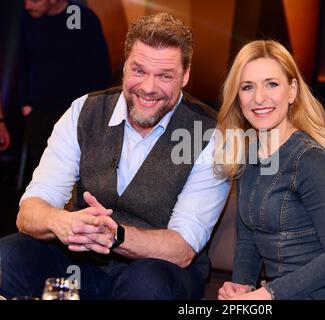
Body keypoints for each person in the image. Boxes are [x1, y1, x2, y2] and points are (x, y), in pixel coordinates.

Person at [0, 12, 230, 300]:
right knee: (7, 257)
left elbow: (182, 249)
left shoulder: (209, 134)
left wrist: (113, 235)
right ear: (124, 68)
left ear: (185, 76)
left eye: (164, 76)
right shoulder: (84, 111)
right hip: (81, 264)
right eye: (139, 70)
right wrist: (61, 221)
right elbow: (30, 210)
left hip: (159, 272)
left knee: (148, 283)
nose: (148, 87)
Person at [214, 40, 325, 300]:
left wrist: (267, 294)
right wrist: (241, 286)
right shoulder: (246, 154)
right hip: (282, 292)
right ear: (237, 96)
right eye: (247, 87)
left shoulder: (310, 159)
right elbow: (248, 239)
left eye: (272, 84)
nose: (259, 98)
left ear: (292, 91)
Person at [19, 0, 112, 186]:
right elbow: (24, 64)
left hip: (75, 115)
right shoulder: (29, 19)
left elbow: (100, 69)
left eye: (34, 0)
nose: (27, 5)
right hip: (39, 113)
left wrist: (90, 111)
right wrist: (25, 103)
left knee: (75, 178)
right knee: (43, 176)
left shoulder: (78, 16)